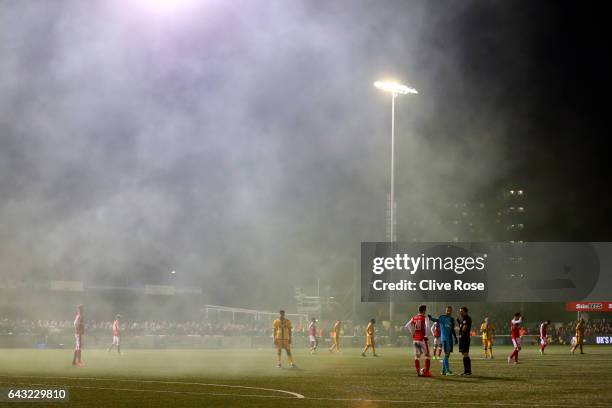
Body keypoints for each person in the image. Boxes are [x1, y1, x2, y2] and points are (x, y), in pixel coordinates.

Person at [428, 306, 458, 375]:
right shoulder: (442, 317)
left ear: (451, 311)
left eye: (450, 310)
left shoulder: (451, 319)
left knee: (448, 355)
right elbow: (436, 320)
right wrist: (430, 318)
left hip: (450, 339)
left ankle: (443, 371)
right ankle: (447, 371)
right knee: (446, 354)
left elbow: (452, 329)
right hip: (444, 339)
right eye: (447, 310)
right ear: (445, 311)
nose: (448, 311)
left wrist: (455, 338)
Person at [405, 304, 432, 377]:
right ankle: (426, 372)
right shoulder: (425, 317)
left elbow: (407, 325)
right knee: (427, 355)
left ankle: (418, 372)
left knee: (417, 356)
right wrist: (426, 335)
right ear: (424, 310)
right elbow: (428, 326)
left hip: (415, 339)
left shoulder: (414, 317)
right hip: (423, 339)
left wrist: (412, 333)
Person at [457, 306, 472, 375]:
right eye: (460, 311)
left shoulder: (467, 318)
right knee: (464, 354)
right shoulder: (463, 319)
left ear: (465, 312)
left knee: (465, 354)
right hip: (463, 338)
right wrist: (459, 321)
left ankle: (467, 371)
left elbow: (464, 328)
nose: (460, 312)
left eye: (461, 311)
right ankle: (467, 371)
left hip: (464, 338)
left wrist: (461, 335)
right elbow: (461, 326)